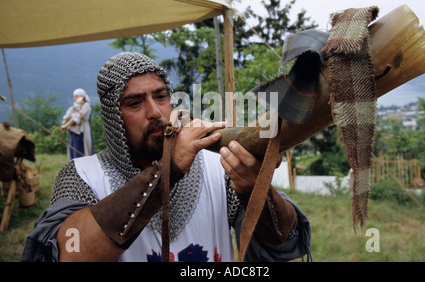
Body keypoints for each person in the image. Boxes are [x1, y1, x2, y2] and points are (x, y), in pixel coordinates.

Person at [21, 52, 311, 262]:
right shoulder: (83, 174)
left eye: (161, 97)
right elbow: (69, 253)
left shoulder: (216, 167)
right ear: (113, 118)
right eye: (135, 102)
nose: (156, 113)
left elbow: (282, 241)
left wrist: (254, 190)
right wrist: (167, 171)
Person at [61, 88, 94, 160]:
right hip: (74, 131)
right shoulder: (76, 106)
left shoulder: (86, 105)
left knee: (79, 153)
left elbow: (76, 118)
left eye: (76, 96)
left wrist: (65, 126)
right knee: (72, 152)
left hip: (82, 132)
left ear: (81, 96)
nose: (74, 98)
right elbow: (69, 115)